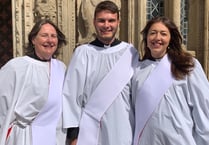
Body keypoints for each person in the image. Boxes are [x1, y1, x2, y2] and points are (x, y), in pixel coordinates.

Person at [62, 1, 139, 145]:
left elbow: (137, 95)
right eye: (101, 20)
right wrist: (73, 135)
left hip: (123, 128)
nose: (106, 25)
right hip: (90, 129)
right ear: (94, 22)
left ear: (118, 22)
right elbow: (71, 95)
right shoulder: (83, 53)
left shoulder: (130, 52)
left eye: (111, 20)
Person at [132, 16, 209, 145]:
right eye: (152, 33)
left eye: (163, 34)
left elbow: (203, 107)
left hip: (179, 140)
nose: (157, 38)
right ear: (146, 38)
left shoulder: (188, 65)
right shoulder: (137, 70)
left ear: (171, 39)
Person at [0, 19, 67, 145]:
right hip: (24, 137)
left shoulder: (61, 68)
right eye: (44, 35)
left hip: (54, 137)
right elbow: (2, 106)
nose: (50, 40)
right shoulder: (16, 67)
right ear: (33, 39)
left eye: (53, 36)